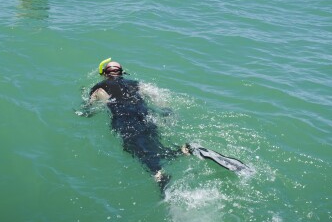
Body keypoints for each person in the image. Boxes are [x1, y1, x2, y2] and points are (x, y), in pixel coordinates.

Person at [86, 58, 250, 192]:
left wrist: (85, 112)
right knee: (154, 146)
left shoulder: (99, 88)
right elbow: (158, 96)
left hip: (125, 120)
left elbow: (90, 108)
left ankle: (163, 174)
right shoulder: (136, 83)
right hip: (145, 116)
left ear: (104, 74)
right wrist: (167, 113)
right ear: (121, 72)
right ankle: (187, 150)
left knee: (141, 153)